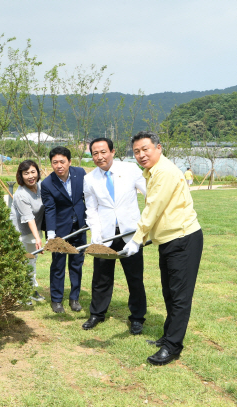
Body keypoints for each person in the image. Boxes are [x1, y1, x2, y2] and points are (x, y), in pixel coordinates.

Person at [122, 131, 203, 366]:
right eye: (136, 151)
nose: (141, 155)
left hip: (183, 239)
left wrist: (137, 239)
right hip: (168, 240)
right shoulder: (151, 172)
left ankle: (173, 346)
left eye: (145, 149)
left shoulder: (165, 171)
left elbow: (154, 207)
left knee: (179, 296)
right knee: (169, 292)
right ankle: (169, 336)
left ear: (158, 147)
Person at [82, 138, 148, 334]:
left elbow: (150, 196)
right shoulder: (90, 178)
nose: (99, 157)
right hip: (105, 234)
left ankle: (137, 317)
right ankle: (97, 313)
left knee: (134, 277)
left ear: (112, 151)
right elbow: (91, 209)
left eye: (103, 152)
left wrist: (146, 225)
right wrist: (95, 234)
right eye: (95, 153)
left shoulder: (130, 169)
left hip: (130, 232)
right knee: (101, 276)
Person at [40, 147, 87, 313]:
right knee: (58, 266)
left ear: (69, 162)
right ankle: (57, 300)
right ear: (51, 163)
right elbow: (50, 209)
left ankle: (74, 298)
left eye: (62, 161)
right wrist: (51, 235)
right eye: (55, 162)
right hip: (60, 229)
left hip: (79, 227)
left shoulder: (80, 174)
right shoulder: (47, 183)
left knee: (76, 265)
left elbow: (87, 197)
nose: (59, 165)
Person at [10, 160, 46, 302]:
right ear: (21, 175)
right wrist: (38, 238)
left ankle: (30, 289)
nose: (30, 176)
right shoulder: (21, 195)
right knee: (23, 260)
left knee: (32, 260)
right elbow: (29, 218)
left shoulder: (40, 186)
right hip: (21, 231)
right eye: (26, 173)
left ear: (38, 172)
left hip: (34, 229)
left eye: (33, 172)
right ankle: (20, 294)